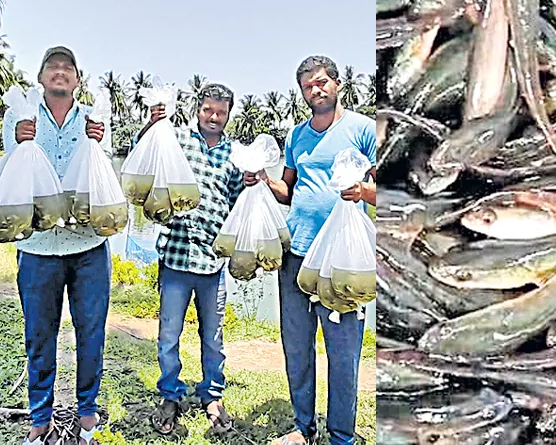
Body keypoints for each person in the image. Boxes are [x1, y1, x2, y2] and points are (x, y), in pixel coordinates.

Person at [245, 56, 376, 445]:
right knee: (297, 346)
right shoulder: (297, 137)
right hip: (297, 253)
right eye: (307, 86)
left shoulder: (363, 129)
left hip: (342, 260)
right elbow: (289, 189)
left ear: (337, 84)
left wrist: (364, 191)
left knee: (342, 352)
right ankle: (303, 428)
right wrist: (264, 180)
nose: (315, 90)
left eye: (321, 82)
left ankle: (341, 436)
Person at [2, 46, 112, 445]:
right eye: (53, 67)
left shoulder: (94, 121)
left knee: (91, 334)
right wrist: (16, 141)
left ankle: (87, 421)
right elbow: (10, 175)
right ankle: (39, 422)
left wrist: (100, 142)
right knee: (39, 336)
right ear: (42, 78)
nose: (61, 73)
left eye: (68, 68)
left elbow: (104, 175)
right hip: (38, 248)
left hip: (89, 249)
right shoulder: (19, 117)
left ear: (78, 81)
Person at [132, 83, 244, 435]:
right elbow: (145, 154)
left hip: (213, 260)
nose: (214, 117)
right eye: (208, 109)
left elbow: (241, 202)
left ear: (228, 115)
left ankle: (212, 394)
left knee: (213, 337)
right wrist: (153, 125)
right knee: (169, 335)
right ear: (198, 109)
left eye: (221, 112)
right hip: (176, 254)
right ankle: (170, 393)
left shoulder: (233, 156)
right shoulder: (176, 139)